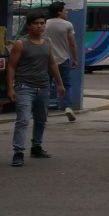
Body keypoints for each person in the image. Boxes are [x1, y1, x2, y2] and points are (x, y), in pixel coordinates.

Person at [8, 12, 66, 167]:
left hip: (43, 87)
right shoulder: (21, 44)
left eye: (42, 23)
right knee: (23, 119)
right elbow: (12, 66)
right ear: (29, 26)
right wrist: (10, 88)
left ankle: (36, 147)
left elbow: (52, 64)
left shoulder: (48, 42)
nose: (40, 26)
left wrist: (60, 84)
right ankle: (18, 152)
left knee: (41, 120)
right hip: (24, 87)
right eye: (36, 23)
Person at [44, 1, 78, 121]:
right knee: (65, 85)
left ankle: (44, 110)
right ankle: (67, 107)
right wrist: (75, 59)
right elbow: (72, 44)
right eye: (65, 10)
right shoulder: (67, 25)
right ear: (59, 12)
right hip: (63, 59)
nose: (67, 12)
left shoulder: (44, 24)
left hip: (47, 60)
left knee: (46, 85)